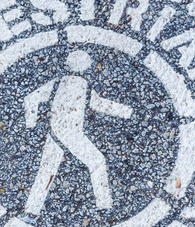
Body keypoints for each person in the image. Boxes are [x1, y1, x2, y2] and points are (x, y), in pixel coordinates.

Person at [23, 50, 132, 216]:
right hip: (71, 133)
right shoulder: (82, 84)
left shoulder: (56, 82)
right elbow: (99, 104)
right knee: (97, 161)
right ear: (84, 65)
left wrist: (31, 122)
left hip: (54, 132)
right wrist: (126, 111)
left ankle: (31, 211)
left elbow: (30, 98)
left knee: (47, 170)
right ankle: (104, 206)